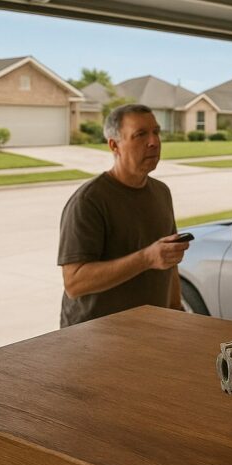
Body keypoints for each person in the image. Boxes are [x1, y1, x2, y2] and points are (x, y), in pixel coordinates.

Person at [58, 103, 190, 327]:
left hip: (150, 331)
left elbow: (169, 263)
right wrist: (146, 258)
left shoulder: (161, 192)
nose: (154, 142)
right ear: (114, 145)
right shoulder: (89, 201)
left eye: (156, 132)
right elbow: (74, 282)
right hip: (93, 339)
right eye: (140, 135)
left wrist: (176, 311)